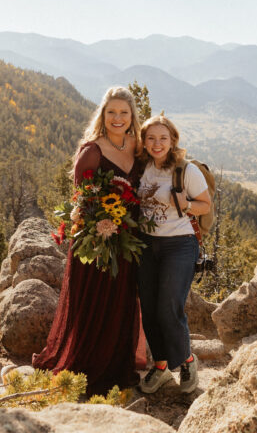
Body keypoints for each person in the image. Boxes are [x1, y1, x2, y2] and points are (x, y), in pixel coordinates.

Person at [32, 86, 144, 395]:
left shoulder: (138, 147)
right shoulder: (92, 150)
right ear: (103, 115)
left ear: (132, 115)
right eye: (112, 112)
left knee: (120, 302)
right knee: (93, 302)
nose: (117, 118)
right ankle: (84, 365)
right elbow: (82, 197)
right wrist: (99, 227)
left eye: (124, 112)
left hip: (127, 240)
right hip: (95, 241)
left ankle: (116, 364)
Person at [135, 114, 211, 394]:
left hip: (179, 244)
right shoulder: (142, 167)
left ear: (173, 140)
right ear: (144, 142)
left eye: (163, 138)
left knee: (169, 307)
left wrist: (187, 204)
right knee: (151, 310)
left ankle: (188, 361)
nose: (157, 144)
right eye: (151, 138)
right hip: (146, 244)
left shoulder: (185, 170)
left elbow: (205, 204)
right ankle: (162, 367)